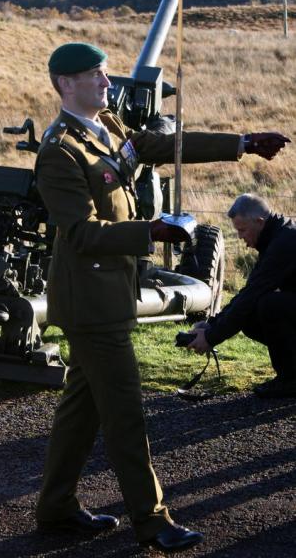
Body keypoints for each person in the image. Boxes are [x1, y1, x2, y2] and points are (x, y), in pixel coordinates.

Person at [34, 42, 290, 552]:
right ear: (65, 84)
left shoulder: (106, 124)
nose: (108, 84)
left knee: (81, 410)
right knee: (125, 413)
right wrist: (149, 231)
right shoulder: (59, 150)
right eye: (96, 76)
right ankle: (151, 521)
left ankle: (56, 508)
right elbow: (81, 233)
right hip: (90, 303)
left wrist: (241, 143)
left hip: (108, 296)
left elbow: (159, 147)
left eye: (106, 74)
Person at [187, 193, 296, 399]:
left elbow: (253, 294)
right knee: (253, 313)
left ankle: (290, 380)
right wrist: (211, 325)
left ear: (259, 222)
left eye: (242, 230)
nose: (240, 236)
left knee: (269, 305)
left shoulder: (285, 242)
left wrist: (211, 338)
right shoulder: (277, 237)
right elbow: (249, 291)